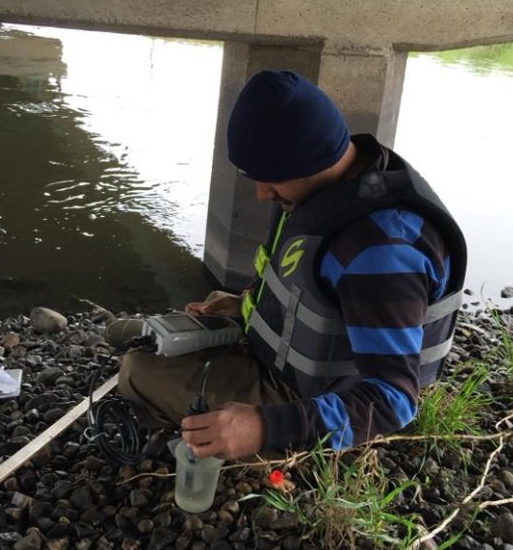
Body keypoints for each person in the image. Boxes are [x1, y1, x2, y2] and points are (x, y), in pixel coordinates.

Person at [114, 69, 467, 461]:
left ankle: (276, 449)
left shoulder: (381, 252)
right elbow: (311, 286)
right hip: (292, 363)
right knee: (140, 338)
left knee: (137, 369)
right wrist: (248, 303)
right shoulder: (327, 183)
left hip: (322, 399)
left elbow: (392, 400)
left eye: (270, 179)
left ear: (309, 160)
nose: (262, 193)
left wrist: (264, 427)